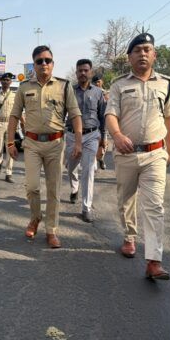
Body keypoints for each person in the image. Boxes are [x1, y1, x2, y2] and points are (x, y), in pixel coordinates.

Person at [105, 33, 170, 280]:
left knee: (155, 205)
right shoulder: (118, 85)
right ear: (129, 57)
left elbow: (169, 117)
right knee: (126, 200)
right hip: (126, 154)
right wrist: (116, 135)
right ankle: (129, 236)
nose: (143, 54)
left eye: (147, 49)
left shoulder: (166, 84)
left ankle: (154, 261)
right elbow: (110, 114)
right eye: (137, 50)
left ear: (154, 54)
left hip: (155, 153)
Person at [7, 45, 82, 248]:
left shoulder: (64, 86)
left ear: (53, 64)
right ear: (34, 64)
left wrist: (78, 142)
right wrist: (10, 142)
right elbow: (14, 115)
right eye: (39, 61)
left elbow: (75, 114)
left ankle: (51, 230)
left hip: (55, 144)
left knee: (53, 189)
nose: (44, 64)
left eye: (47, 60)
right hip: (31, 143)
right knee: (32, 187)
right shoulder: (24, 87)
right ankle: (35, 217)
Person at [65, 59, 106, 223]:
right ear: (76, 73)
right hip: (71, 135)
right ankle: (74, 188)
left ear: (91, 72)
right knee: (71, 167)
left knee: (88, 170)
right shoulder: (69, 91)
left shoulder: (98, 93)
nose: (83, 73)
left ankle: (86, 208)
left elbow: (102, 116)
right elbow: (62, 114)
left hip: (91, 135)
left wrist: (103, 139)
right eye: (80, 70)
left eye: (86, 70)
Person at [0, 72, 22, 183]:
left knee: (10, 147)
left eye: (8, 80)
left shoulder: (15, 95)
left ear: (11, 82)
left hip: (10, 123)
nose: (6, 82)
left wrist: (21, 124)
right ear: (0, 81)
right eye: (4, 80)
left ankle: (8, 173)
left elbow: (19, 111)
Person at [92, 74, 108, 170]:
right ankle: (93, 162)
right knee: (93, 144)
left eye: (98, 81)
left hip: (104, 123)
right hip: (94, 123)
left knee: (103, 144)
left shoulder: (107, 94)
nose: (97, 84)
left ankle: (100, 159)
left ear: (102, 82)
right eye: (95, 82)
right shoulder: (90, 93)